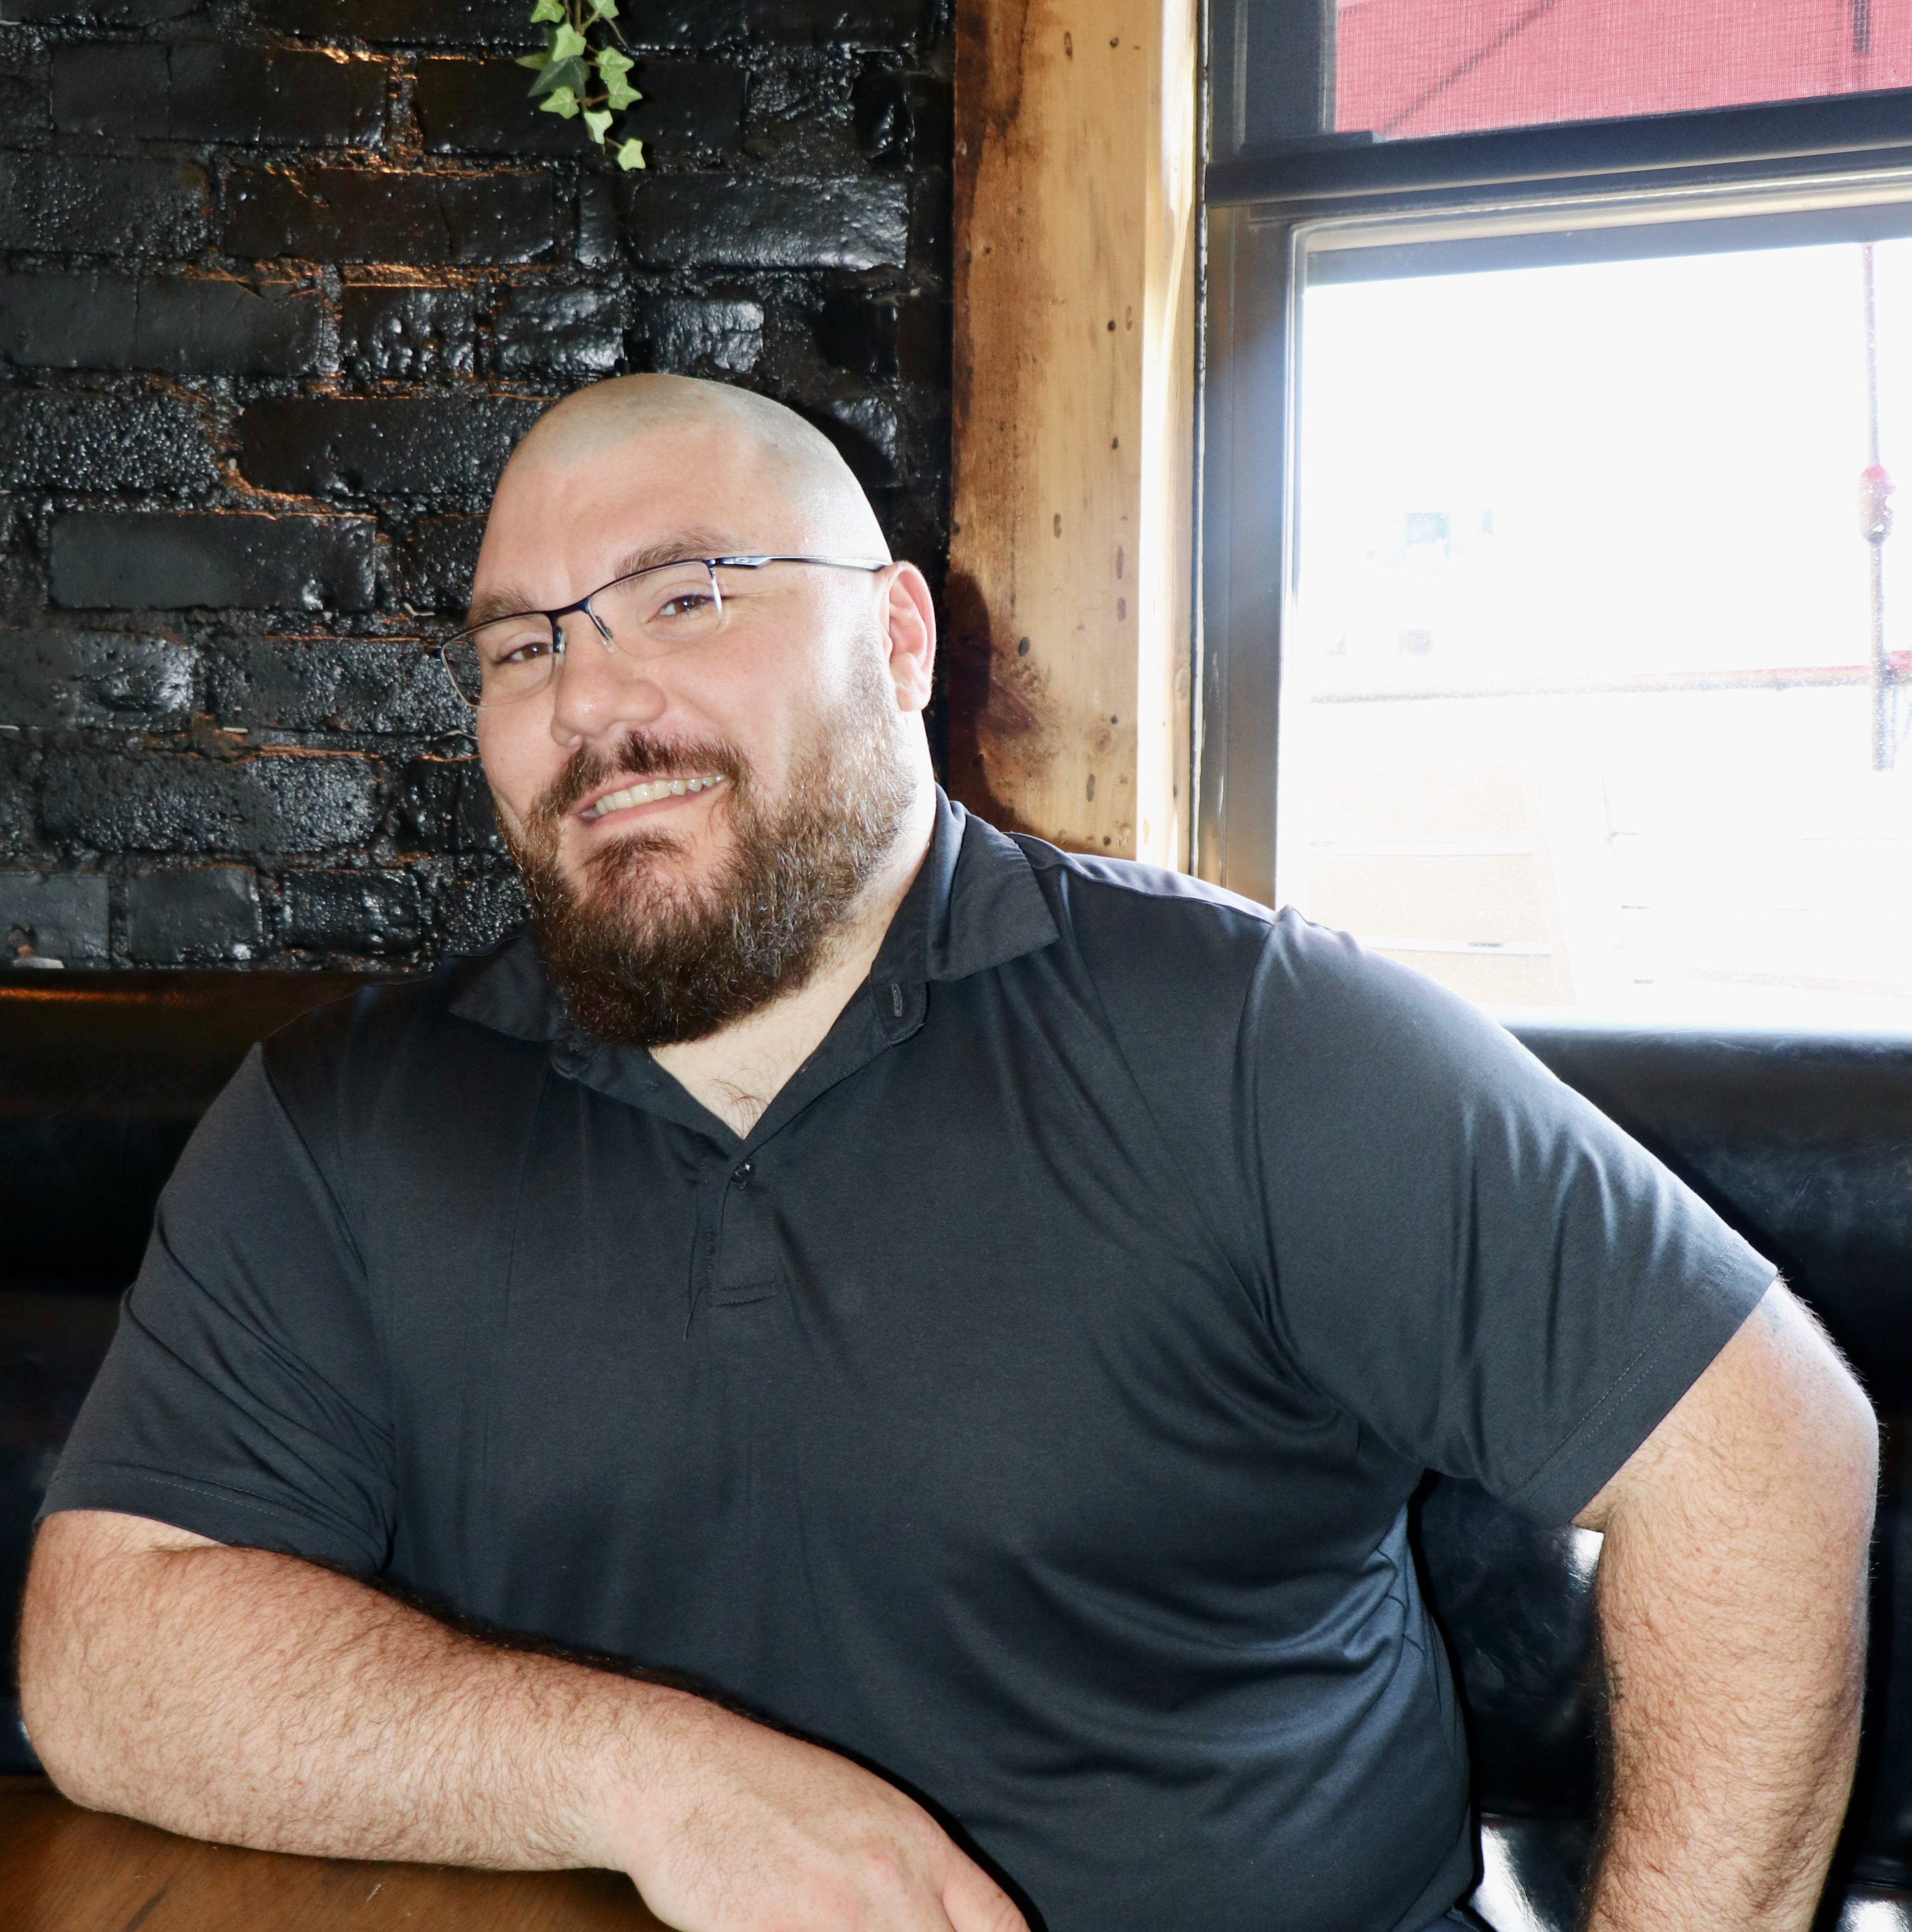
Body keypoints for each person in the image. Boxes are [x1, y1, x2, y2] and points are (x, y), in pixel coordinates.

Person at [18, 374, 1877, 1932]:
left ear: (900, 640)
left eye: (688, 599)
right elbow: (109, 1651)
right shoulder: (347, 1120)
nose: (590, 701)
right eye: (525, 644)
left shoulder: (1250, 1042)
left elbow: (1764, 1447)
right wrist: (650, 1779)